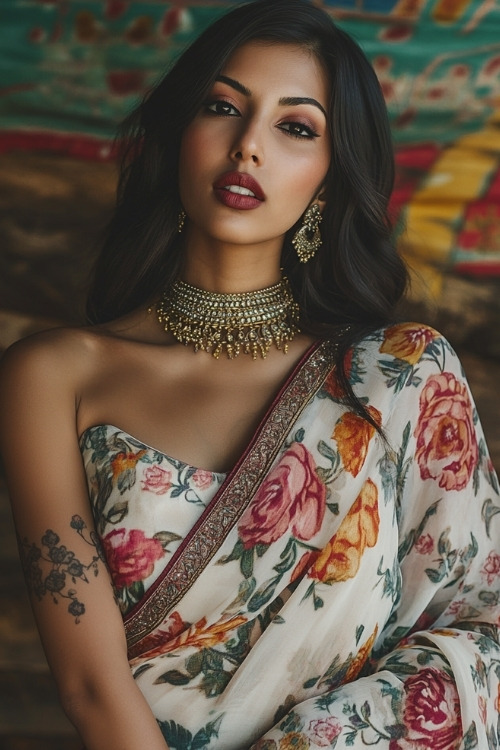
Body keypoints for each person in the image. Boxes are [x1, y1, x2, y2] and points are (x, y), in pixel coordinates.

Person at [0, 1, 499, 747]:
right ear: (179, 137)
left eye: (295, 127)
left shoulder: (397, 379)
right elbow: (91, 684)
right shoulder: (55, 374)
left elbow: (482, 629)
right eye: (223, 107)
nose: (247, 148)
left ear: (330, 177)